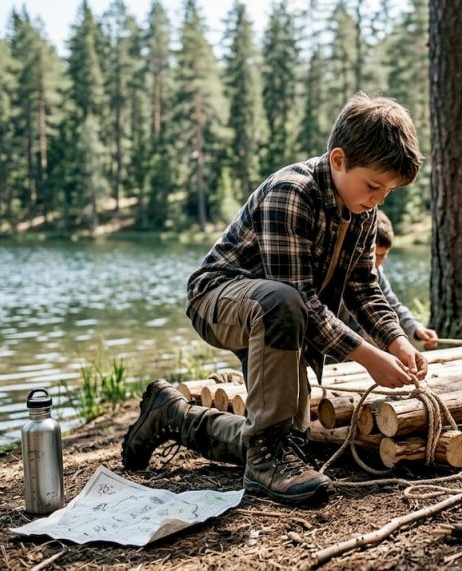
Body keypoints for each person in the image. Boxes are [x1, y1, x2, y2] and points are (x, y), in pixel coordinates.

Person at [121, 94, 427, 504]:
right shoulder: (292, 192)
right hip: (221, 299)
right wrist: (369, 357)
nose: (378, 199)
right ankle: (266, 466)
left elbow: (362, 286)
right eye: (373, 185)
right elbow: (299, 297)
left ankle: (173, 416)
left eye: (388, 191)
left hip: (279, 315)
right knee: (281, 305)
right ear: (338, 159)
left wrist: (396, 340)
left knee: (286, 435)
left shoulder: (363, 213)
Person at [362, 210, 439, 349]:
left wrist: (415, 328)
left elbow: (393, 305)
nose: (377, 261)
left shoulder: (378, 272)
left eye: (383, 255)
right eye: (374, 255)